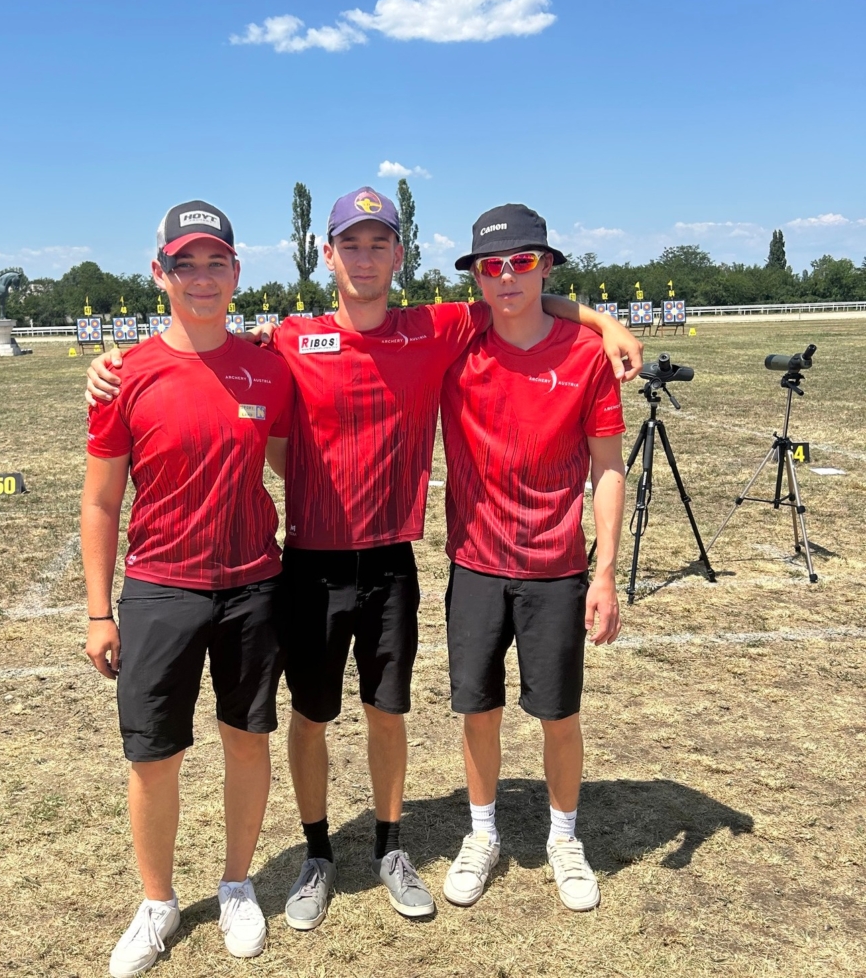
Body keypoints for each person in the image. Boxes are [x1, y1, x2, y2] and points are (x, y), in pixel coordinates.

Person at [86, 187, 643, 931]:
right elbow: (209, 350)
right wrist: (114, 361)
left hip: (390, 564)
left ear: (399, 255)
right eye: (351, 244)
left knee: (388, 713)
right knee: (310, 717)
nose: (365, 258)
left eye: (379, 244)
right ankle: (317, 854)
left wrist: (604, 321)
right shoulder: (290, 339)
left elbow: (521, 297)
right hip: (308, 566)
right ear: (328, 255)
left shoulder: (435, 328)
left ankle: (390, 847)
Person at [81, 201, 294, 974]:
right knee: (153, 757)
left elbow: (289, 463)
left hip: (252, 587)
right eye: (185, 263)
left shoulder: (269, 366)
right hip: (160, 590)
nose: (201, 278)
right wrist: (99, 611)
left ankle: (237, 884)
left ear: (237, 272)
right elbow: (101, 502)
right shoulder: (123, 375)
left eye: (215, 263)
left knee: (247, 741)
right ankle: (157, 903)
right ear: (159, 271)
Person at [438, 204, 625, 913]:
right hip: (476, 564)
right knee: (478, 711)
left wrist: (604, 573)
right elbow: (367, 327)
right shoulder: (456, 343)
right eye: (492, 266)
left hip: (557, 568)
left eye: (522, 261)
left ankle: (564, 838)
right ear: (476, 278)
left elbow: (608, 467)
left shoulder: (585, 356)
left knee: (559, 714)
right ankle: (482, 832)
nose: (507, 277)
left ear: (546, 266)